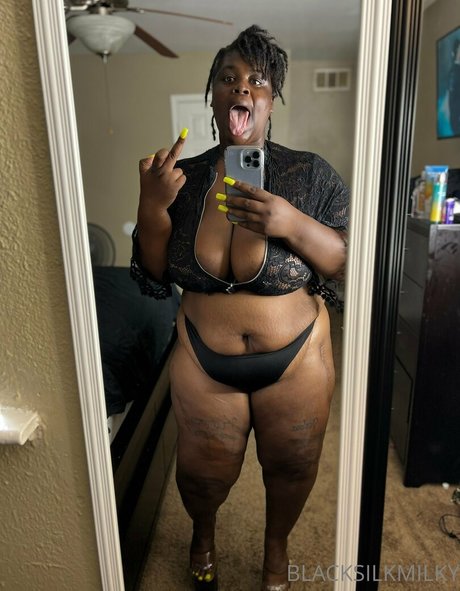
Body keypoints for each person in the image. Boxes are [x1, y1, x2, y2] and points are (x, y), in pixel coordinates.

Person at [131, 24, 348, 591]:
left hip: (297, 358)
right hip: (204, 359)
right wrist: (152, 206)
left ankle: (276, 552)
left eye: (257, 80)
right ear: (214, 97)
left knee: (293, 466)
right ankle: (203, 534)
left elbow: (346, 262)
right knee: (202, 475)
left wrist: (290, 223)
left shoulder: (310, 174)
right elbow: (155, 271)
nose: (242, 88)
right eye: (228, 79)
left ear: (271, 100)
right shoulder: (183, 179)